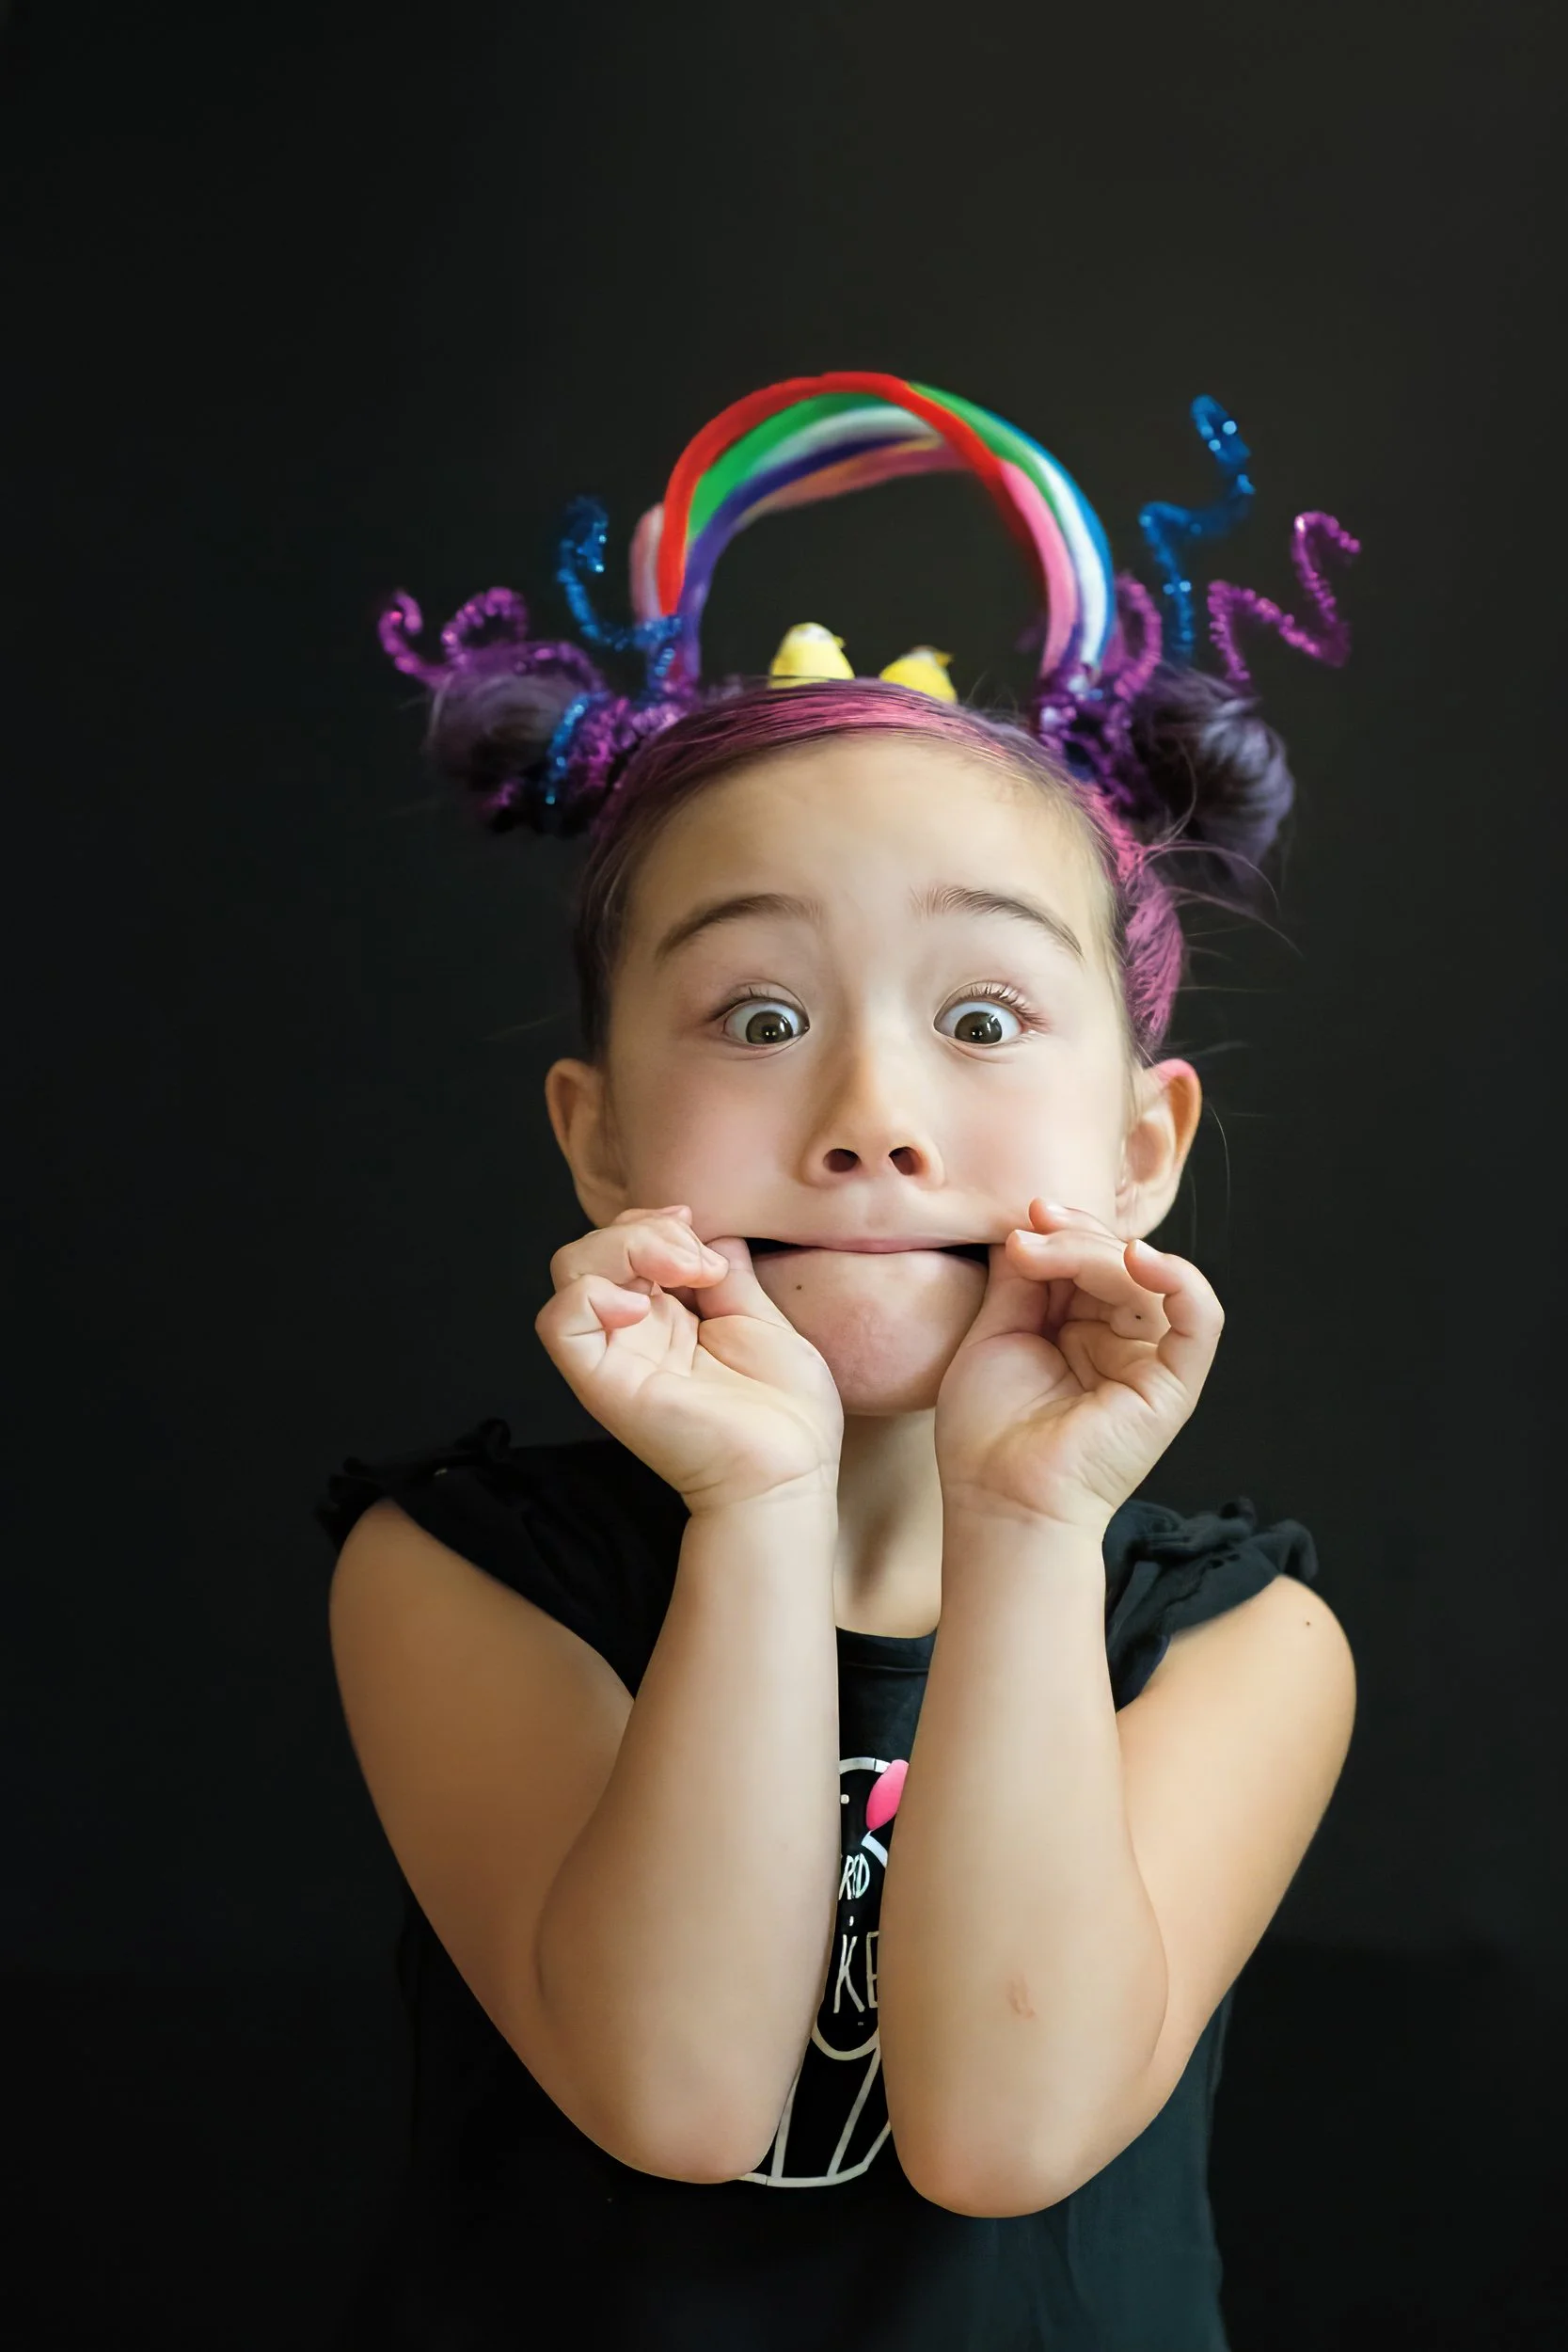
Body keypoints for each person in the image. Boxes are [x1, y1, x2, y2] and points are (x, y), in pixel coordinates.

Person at [315, 373, 1360, 2350]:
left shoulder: (1241, 1641)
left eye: (978, 1016)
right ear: (597, 1132)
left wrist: (1031, 1512)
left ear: (1142, 1145)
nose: (872, 1115)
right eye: (759, 1009)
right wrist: (760, 1496)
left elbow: (1004, 2126)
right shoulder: (451, 1574)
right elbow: (679, 2092)